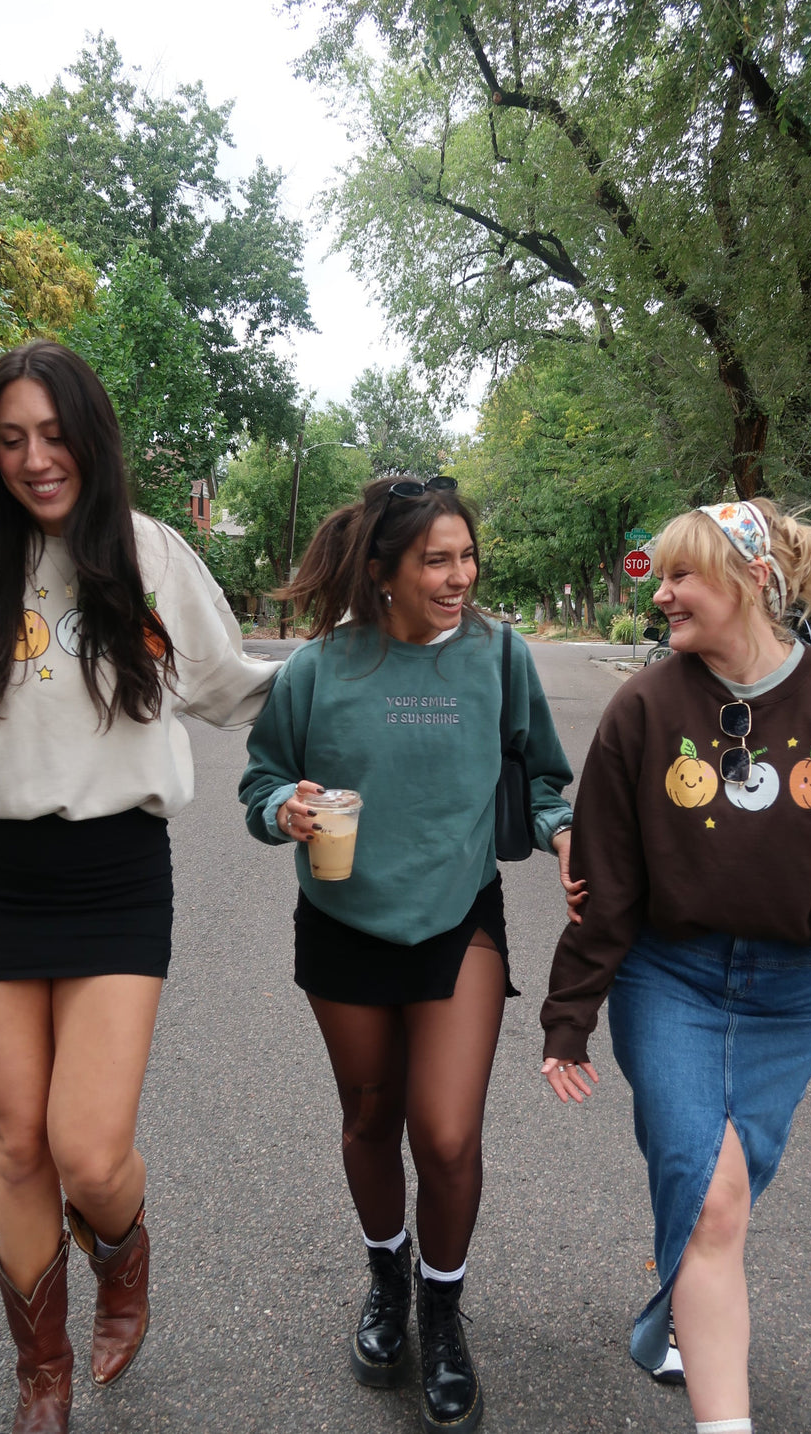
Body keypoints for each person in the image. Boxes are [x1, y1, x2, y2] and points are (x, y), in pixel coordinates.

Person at [0, 341, 281, 1434]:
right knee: (16, 1143)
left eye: (53, 435)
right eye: (11, 439)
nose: (35, 459)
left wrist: (353, 701)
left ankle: (124, 1249)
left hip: (113, 872)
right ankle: (39, 1375)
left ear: (90, 438)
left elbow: (234, 688)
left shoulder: (147, 555)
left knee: (88, 1150)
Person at [539, 499, 811, 1434]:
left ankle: (676, 1315)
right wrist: (569, 1012)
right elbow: (607, 883)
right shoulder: (645, 706)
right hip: (671, 977)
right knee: (712, 1194)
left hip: (791, 993)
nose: (661, 596)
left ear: (752, 579)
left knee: (720, 1201)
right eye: (659, 576)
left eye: (682, 576)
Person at [239, 475, 575, 1434]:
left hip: (458, 917)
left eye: (468, 556)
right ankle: (387, 1276)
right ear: (382, 570)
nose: (460, 575)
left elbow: (545, 774)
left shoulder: (500, 657)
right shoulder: (317, 671)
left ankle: (441, 1305)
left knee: (447, 1133)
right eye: (438, 559)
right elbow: (262, 779)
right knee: (370, 1113)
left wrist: (560, 832)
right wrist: (284, 812)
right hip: (343, 919)